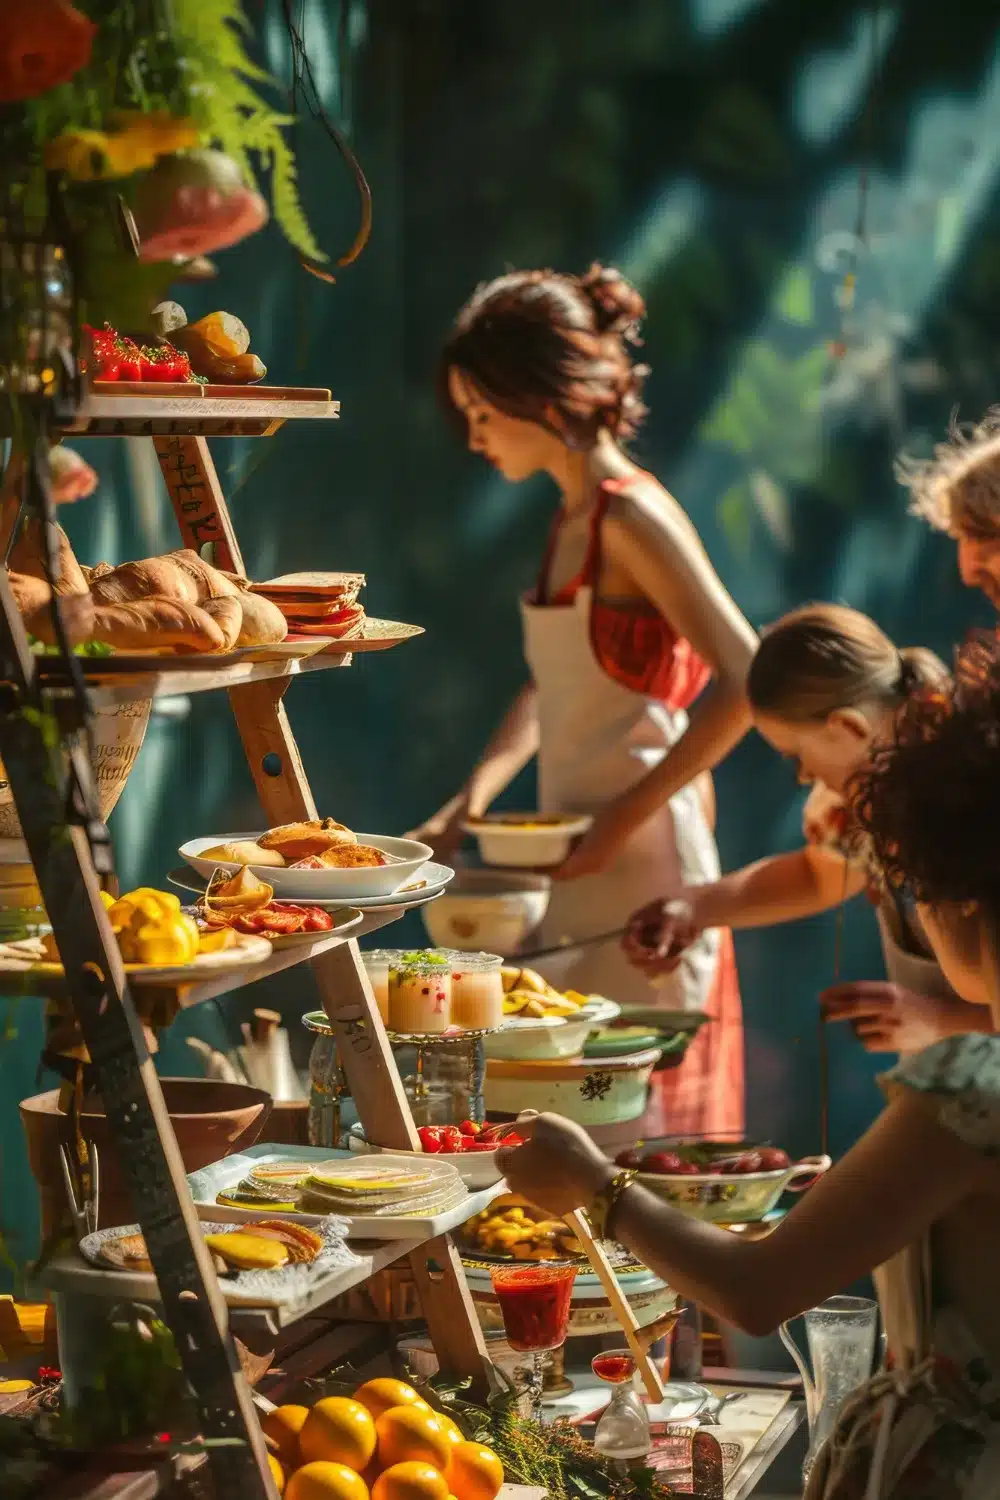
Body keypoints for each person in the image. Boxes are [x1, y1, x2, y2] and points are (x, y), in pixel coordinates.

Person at [499, 632, 1000, 1497]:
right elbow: (814, 871)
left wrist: (592, 1181)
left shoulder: (969, 1088)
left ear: (960, 899)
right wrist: (700, 905)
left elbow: (758, 1289)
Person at [414, 264, 758, 1138]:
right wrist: (473, 800)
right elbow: (557, 683)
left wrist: (618, 821)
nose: (475, 438)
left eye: (484, 414)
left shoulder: (631, 518)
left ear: (544, 399)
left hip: (648, 870)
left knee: (637, 1134)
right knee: (572, 1129)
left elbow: (752, 679)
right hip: (578, 862)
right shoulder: (570, 521)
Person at [624, 605, 990, 1054]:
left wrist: (948, 1020)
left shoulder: (970, 795)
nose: (801, 776)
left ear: (847, 727)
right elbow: (817, 876)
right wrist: (696, 906)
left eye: (796, 755)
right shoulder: (852, 803)